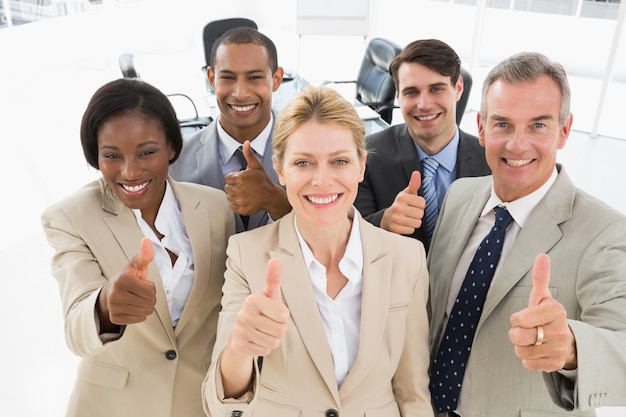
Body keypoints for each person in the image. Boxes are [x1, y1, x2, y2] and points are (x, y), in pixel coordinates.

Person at [202, 85, 434, 417]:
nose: (322, 181)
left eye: (339, 161)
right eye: (303, 163)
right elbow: (220, 402)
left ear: (361, 165)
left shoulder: (407, 258)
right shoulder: (247, 254)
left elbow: (412, 392)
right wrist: (240, 348)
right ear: (280, 169)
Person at [427, 51, 626, 417]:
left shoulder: (605, 231)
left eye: (538, 125)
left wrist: (571, 349)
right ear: (482, 128)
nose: (517, 145)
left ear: (564, 131)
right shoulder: (460, 195)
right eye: (502, 124)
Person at [41, 78, 235, 417]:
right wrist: (103, 307)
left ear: (172, 147)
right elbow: (75, 327)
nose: (130, 172)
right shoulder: (70, 217)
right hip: (112, 407)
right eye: (112, 156)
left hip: (199, 403)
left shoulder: (217, 207)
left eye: (147, 152)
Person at [355, 39, 490, 251]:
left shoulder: (490, 161)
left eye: (436, 89)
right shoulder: (368, 156)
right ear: (398, 96)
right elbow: (343, 234)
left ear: (458, 89)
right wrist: (384, 221)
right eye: (411, 92)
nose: (424, 104)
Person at [169, 26, 291, 232]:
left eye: (254, 78)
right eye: (228, 77)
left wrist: (277, 202)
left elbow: (333, 234)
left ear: (277, 79)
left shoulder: (311, 153)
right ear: (211, 79)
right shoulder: (175, 161)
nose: (241, 93)